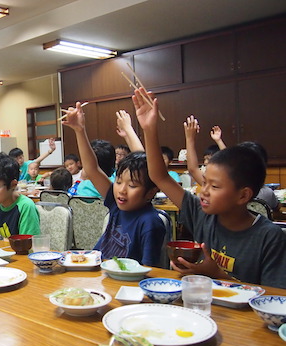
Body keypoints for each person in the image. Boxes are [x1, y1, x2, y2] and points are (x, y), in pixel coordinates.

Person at [136, 87, 286, 288]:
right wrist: (149, 129)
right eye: (204, 182)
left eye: (214, 186)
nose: (203, 191)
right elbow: (158, 175)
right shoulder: (202, 214)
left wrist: (216, 274)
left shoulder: (268, 237)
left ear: (243, 196)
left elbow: (275, 299)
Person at [63, 102, 165, 266]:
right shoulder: (117, 205)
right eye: (118, 182)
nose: (122, 190)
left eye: (132, 186)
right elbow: (92, 168)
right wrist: (79, 130)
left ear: (151, 192)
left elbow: (149, 270)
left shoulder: (150, 222)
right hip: (100, 274)